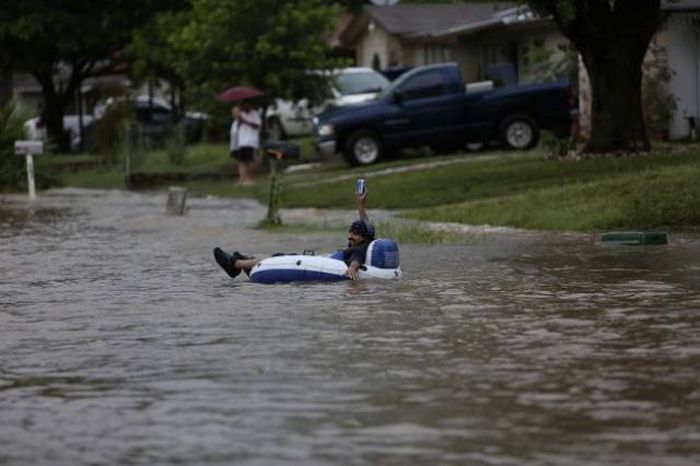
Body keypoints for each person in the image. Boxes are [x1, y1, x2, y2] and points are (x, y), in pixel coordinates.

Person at [213, 191, 375, 280]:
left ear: (363, 237)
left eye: (355, 234)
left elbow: (356, 260)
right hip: (324, 259)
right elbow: (367, 226)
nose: (350, 236)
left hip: (320, 264)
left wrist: (353, 269)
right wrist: (361, 205)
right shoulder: (368, 240)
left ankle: (235, 264)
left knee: (277, 257)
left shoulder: (359, 250)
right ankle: (246, 263)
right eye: (350, 232)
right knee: (279, 257)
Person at [232, 102, 261, 185]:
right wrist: (239, 120)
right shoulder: (241, 114)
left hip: (251, 141)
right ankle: (242, 178)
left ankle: (250, 179)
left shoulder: (255, 114)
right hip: (242, 141)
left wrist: (245, 120)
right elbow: (236, 128)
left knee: (251, 160)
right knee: (242, 161)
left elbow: (257, 125)